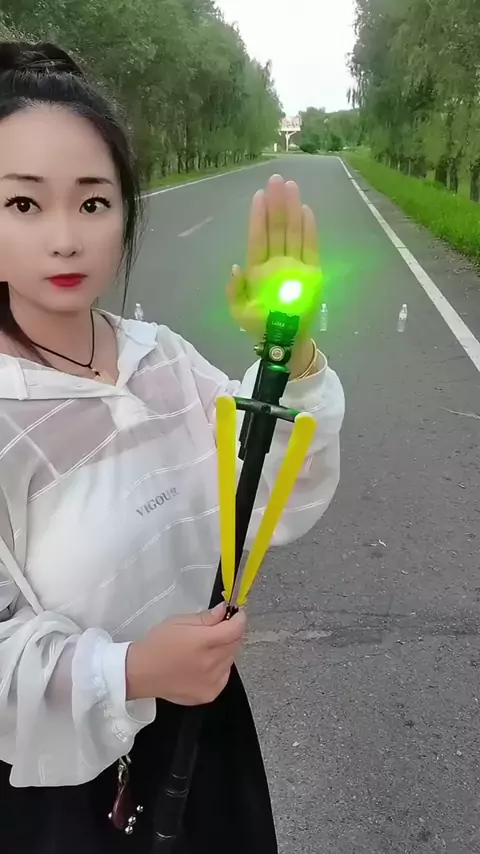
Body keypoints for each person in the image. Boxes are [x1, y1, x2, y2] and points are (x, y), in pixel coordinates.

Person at [0, 41, 345, 854]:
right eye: (23, 204)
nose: (65, 238)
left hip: (205, 734)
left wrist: (287, 359)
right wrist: (128, 671)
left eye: (93, 202)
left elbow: (264, 496)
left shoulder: (161, 360)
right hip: (55, 787)